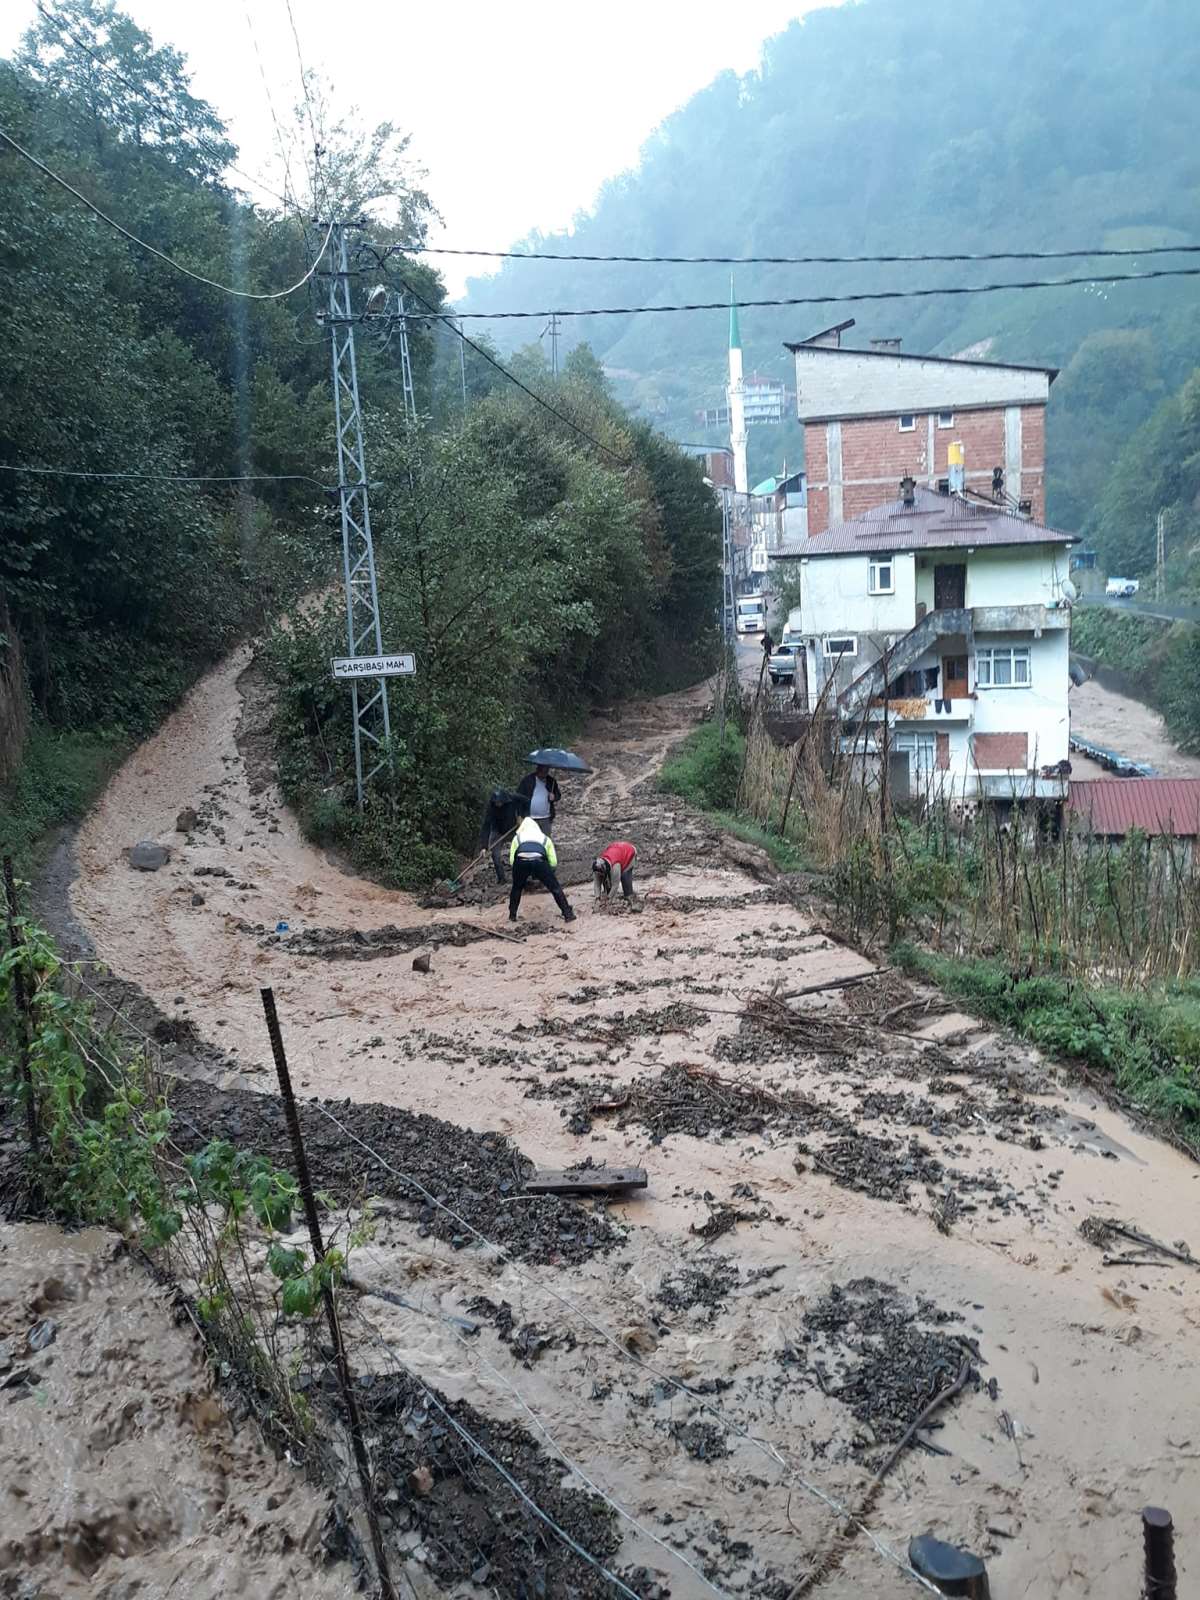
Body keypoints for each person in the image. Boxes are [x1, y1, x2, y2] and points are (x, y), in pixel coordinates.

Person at [508, 815, 575, 923]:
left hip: (521, 861)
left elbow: (512, 861)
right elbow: (553, 862)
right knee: (555, 888)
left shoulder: (517, 838)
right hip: (539, 861)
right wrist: (547, 873)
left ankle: (512, 915)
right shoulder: (545, 839)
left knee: (516, 888)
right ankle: (568, 914)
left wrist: (521, 874)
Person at [476, 788, 522, 884]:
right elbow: (486, 826)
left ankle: (522, 875)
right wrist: (484, 847)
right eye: (496, 803)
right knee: (495, 856)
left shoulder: (513, 798)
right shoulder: (491, 807)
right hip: (497, 831)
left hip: (513, 829)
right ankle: (502, 879)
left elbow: (527, 803)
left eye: (500, 802)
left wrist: (521, 816)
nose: (498, 804)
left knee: (521, 851)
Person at [515, 764, 561, 835]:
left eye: (546, 772)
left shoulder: (551, 781)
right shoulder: (527, 780)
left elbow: (558, 795)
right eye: (542, 772)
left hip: (546, 818)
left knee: (545, 840)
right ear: (537, 770)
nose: (544, 774)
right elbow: (518, 797)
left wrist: (554, 797)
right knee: (530, 840)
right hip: (530, 818)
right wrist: (519, 815)